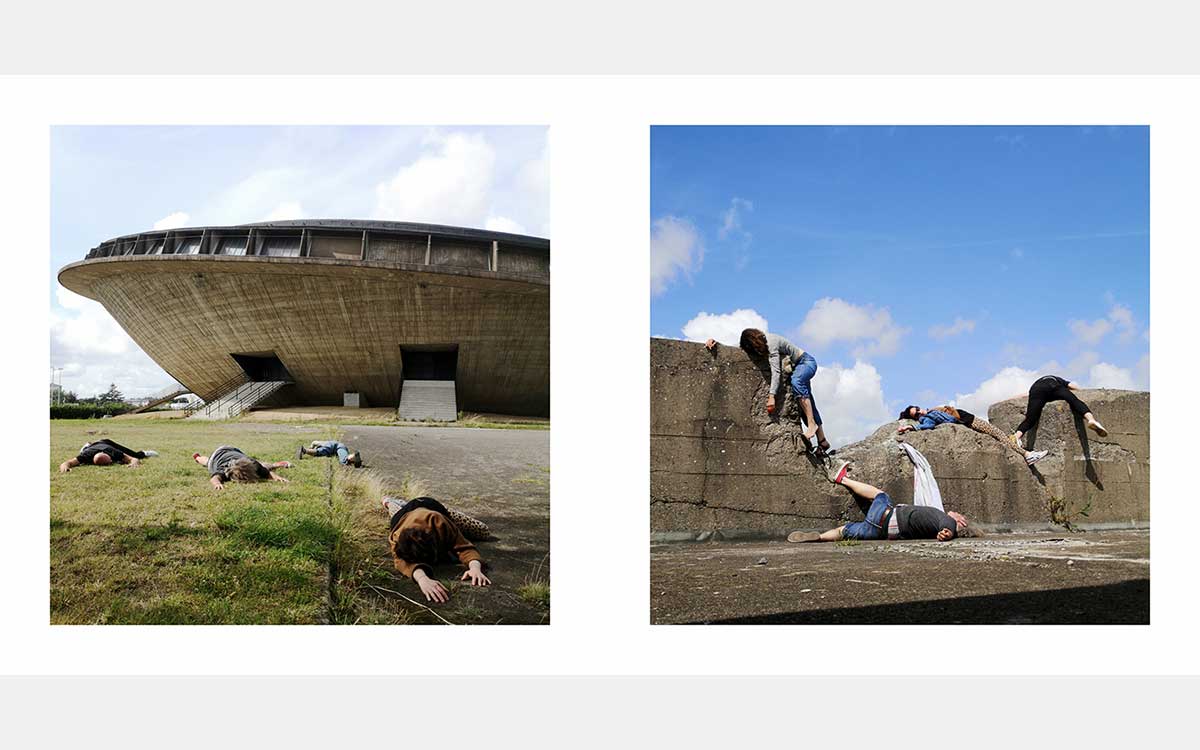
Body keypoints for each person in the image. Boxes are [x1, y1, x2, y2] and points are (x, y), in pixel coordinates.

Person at [705, 328, 830, 454]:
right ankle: (822, 441)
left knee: (797, 382)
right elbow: (736, 348)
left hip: (806, 363)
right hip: (797, 367)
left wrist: (772, 396)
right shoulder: (754, 342)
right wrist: (717, 344)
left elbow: (776, 372)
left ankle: (811, 424)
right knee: (805, 403)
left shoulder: (771, 343)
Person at [786, 460, 973, 543]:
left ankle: (842, 479)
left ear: (960, 523)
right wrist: (945, 532)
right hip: (879, 533)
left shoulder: (944, 520)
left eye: (959, 516)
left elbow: (948, 526)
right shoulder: (937, 524)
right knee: (845, 530)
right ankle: (819, 537)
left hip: (886, 516)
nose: (956, 513)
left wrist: (949, 529)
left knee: (881, 496)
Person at [383, 496, 492, 604]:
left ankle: (400, 503)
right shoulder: (397, 537)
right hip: (402, 516)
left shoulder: (440, 522)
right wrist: (422, 579)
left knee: (482, 531)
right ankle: (390, 502)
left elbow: (465, 547)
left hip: (430, 506)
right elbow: (401, 561)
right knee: (394, 510)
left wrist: (475, 568)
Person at [898, 404, 1049, 466]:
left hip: (970, 419)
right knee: (1000, 436)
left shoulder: (930, 410)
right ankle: (1027, 454)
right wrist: (910, 427)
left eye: (917, 408)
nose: (919, 411)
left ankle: (1020, 447)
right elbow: (928, 426)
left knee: (1000, 436)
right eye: (916, 414)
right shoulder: (927, 417)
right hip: (970, 421)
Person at [1011, 375, 1107, 449]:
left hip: (1036, 390)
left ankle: (1017, 436)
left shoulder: (1038, 383)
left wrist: (1007, 399)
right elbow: (1071, 386)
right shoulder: (1057, 379)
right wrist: (1082, 391)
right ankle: (1091, 420)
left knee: (1030, 418)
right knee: (1074, 401)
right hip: (1053, 386)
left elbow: (1025, 394)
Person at [192, 446, 292, 490]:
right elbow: (214, 478)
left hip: (235, 451)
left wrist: (277, 477)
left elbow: (267, 473)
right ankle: (197, 457)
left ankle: (276, 465)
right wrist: (217, 484)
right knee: (207, 462)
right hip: (217, 455)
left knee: (263, 466)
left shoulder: (253, 464)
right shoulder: (224, 470)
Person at [58, 438, 158, 473]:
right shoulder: (86, 456)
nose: (111, 462)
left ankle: (145, 453)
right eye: (110, 463)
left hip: (106, 443)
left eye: (110, 461)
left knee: (136, 454)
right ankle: (87, 446)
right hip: (91, 448)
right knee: (83, 452)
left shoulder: (113, 452)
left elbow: (133, 459)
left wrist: (135, 463)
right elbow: (68, 462)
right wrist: (65, 468)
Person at [296, 440, 363, 467]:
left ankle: (309, 448)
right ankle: (304, 450)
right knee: (320, 452)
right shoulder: (343, 451)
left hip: (332, 444)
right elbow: (343, 461)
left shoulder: (343, 450)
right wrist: (345, 462)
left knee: (321, 449)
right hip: (334, 446)